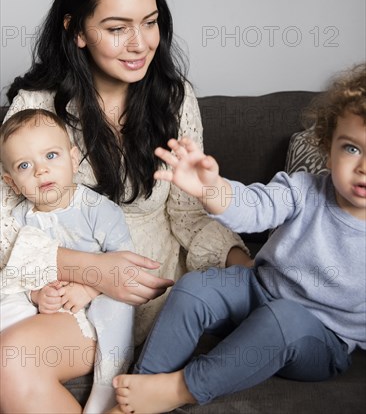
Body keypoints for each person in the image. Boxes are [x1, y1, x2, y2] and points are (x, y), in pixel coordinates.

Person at [0, 0, 251, 413]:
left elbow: (187, 215)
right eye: (117, 29)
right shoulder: (36, 106)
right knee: (11, 358)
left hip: (144, 294)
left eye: (150, 22)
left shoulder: (174, 99)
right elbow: (2, 226)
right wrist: (91, 269)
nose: (140, 44)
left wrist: (245, 266)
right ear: (76, 31)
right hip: (56, 295)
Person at [111, 63, 366, 414]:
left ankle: (182, 388)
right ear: (328, 146)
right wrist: (212, 189)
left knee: (284, 318)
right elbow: (254, 207)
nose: (362, 166)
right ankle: (138, 395)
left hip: (318, 337)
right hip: (257, 289)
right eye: (352, 148)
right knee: (193, 288)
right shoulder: (305, 190)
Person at [0, 108, 135, 413]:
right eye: (25, 165)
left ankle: (108, 380)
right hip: (44, 315)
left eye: (51, 156)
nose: (40, 171)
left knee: (115, 308)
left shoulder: (97, 209)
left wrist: (89, 289)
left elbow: (125, 264)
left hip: (91, 313)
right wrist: (37, 294)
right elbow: (20, 273)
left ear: (74, 159)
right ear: (11, 182)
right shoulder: (21, 219)